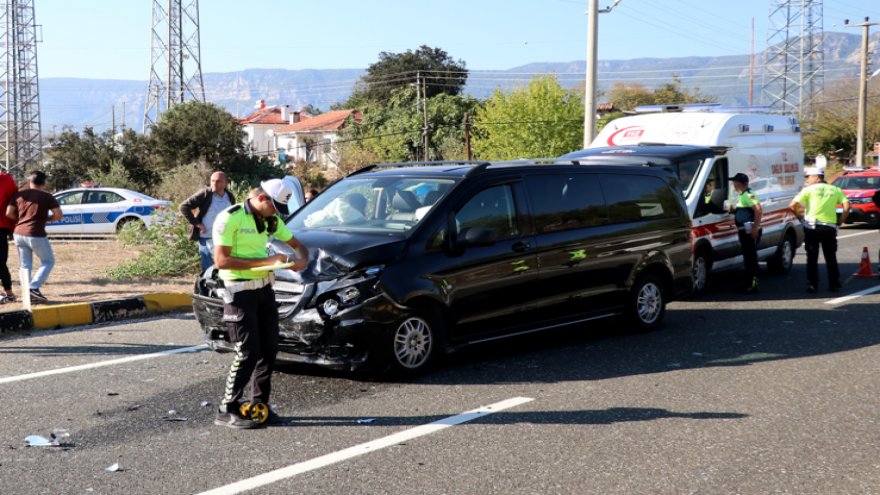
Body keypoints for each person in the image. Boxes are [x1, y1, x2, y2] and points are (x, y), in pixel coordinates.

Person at [212, 178, 308, 429]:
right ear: (262, 198)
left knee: (269, 350)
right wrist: (265, 262)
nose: (277, 215)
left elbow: (298, 245)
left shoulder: (270, 220)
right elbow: (221, 261)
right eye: (275, 208)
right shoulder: (230, 217)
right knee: (247, 351)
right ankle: (227, 409)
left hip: (264, 290)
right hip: (239, 291)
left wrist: (300, 258)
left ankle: (259, 406)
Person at [6, 171, 63, 303]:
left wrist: (21, 220)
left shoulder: (18, 195)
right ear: (43, 183)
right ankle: (34, 287)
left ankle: (27, 291)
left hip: (19, 233)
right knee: (48, 261)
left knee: (25, 265)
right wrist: (46, 219)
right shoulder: (47, 196)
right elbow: (58, 215)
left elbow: (9, 213)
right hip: (36, 233)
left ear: (29, 182)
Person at [790, 167, 849, 293]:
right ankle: (834, 284)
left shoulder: (808, 190)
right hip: (829, 226)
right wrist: (840, 220)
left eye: (808, 177)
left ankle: (812, 284)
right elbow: (847, 206)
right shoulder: (835, 189)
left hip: (812, 226)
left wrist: (800, 217)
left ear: (816, 177)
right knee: (831, 256)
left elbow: (792, 205)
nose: (807, 179)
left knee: (812, 256)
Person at [179, 171, 236, 273]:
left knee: (223, 267)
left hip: (224, 238)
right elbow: (184, 206)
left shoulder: (230, 197)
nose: (214, 183)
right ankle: (206, 287)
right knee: (209, 270)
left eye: (218, 181)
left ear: (226, 183)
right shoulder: (205, 194)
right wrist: (197, 224)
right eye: (212, 181)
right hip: (207, 236)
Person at [729, 172, 762, 294]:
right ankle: (748, 284)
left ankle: (753, 285)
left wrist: (755, 228)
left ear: (740, 183)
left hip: (749, 231)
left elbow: (758, 210)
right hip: (744, 231)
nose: (733, 183)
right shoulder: (743, 195)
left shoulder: (749, 194)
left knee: (751, 259)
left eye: (734, 181)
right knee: (748, 259)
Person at [0, 171, 18, 303]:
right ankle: (8, 292)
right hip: (2, 226)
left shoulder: (7, 180)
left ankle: (8, 292)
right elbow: (14, 204)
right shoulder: (8, 180)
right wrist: (12, 228)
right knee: (1, 261)